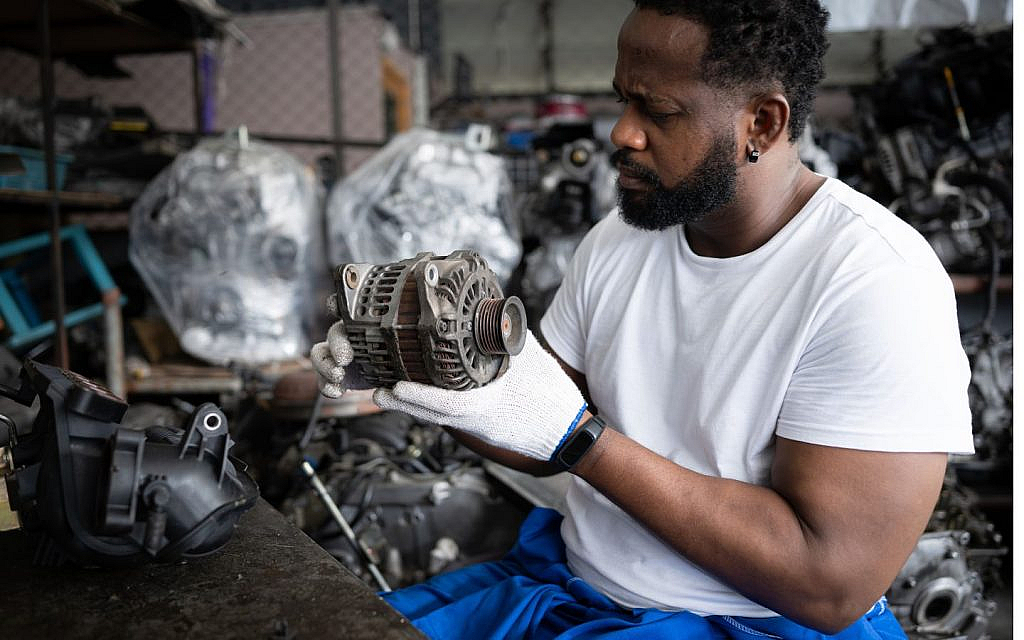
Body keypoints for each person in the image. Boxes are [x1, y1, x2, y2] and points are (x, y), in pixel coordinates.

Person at [312, 1, 974, 637]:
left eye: (657, 111)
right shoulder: (622, 238)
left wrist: (582, 440)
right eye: (624, 99)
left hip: (745, 626)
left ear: (762, 125)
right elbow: (534, 424)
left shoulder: (877, 281)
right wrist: (406, 369)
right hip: (574, 589)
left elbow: (829, 585)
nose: (621, 133)